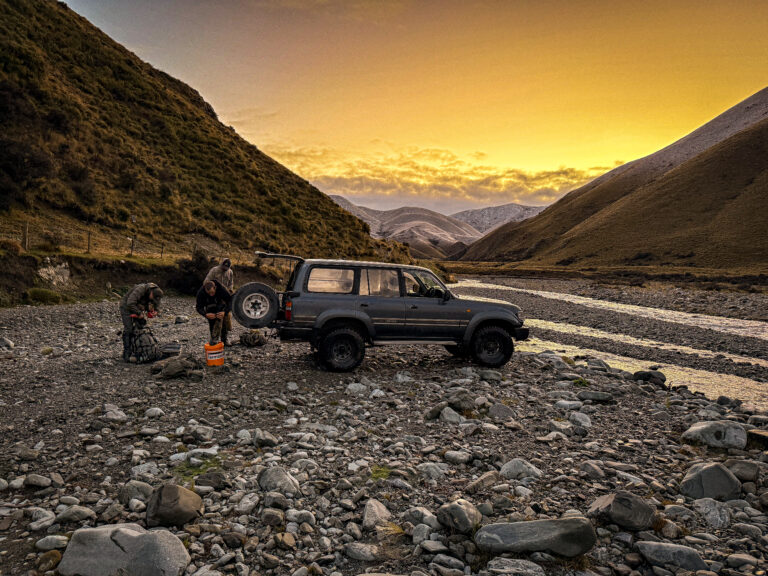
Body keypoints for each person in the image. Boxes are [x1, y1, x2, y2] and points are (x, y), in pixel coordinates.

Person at [119, 283, 163, 361]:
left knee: (141, 326)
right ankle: (127, 352)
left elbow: (157, 303)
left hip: (138, 306)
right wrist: (139, 313)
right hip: (126, 306)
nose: (153, 300)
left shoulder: (157, 292)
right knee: (129, 328)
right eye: (153, 298)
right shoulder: (140, 289)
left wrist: (156, 311)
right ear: (151, 293)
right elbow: (130, 303)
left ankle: (138, 349)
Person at [196, 280, 232, 345]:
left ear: (215, 288)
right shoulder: (200, 293)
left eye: (212, 292)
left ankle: (224, 339)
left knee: (223, 320)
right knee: (212, 320)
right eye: (208, 293)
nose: (211, 294)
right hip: (209, 306)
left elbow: (230, 301)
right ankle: (214, 339)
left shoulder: (221, 289)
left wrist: (225, 312)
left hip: (221, 304)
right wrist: (205, 314)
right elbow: (198, 307)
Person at [205, 257, 234, 335]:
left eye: (227, 267)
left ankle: (224, 338)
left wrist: (230, 290)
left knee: (225, 316)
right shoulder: (214, 270)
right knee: (214, 317)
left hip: (224, 296)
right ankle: (214, 336)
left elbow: (231, 283)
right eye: (224, 266)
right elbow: (207, 281)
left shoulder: (230, 272)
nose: (225, 269)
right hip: (214, 296)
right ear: (221, 264)